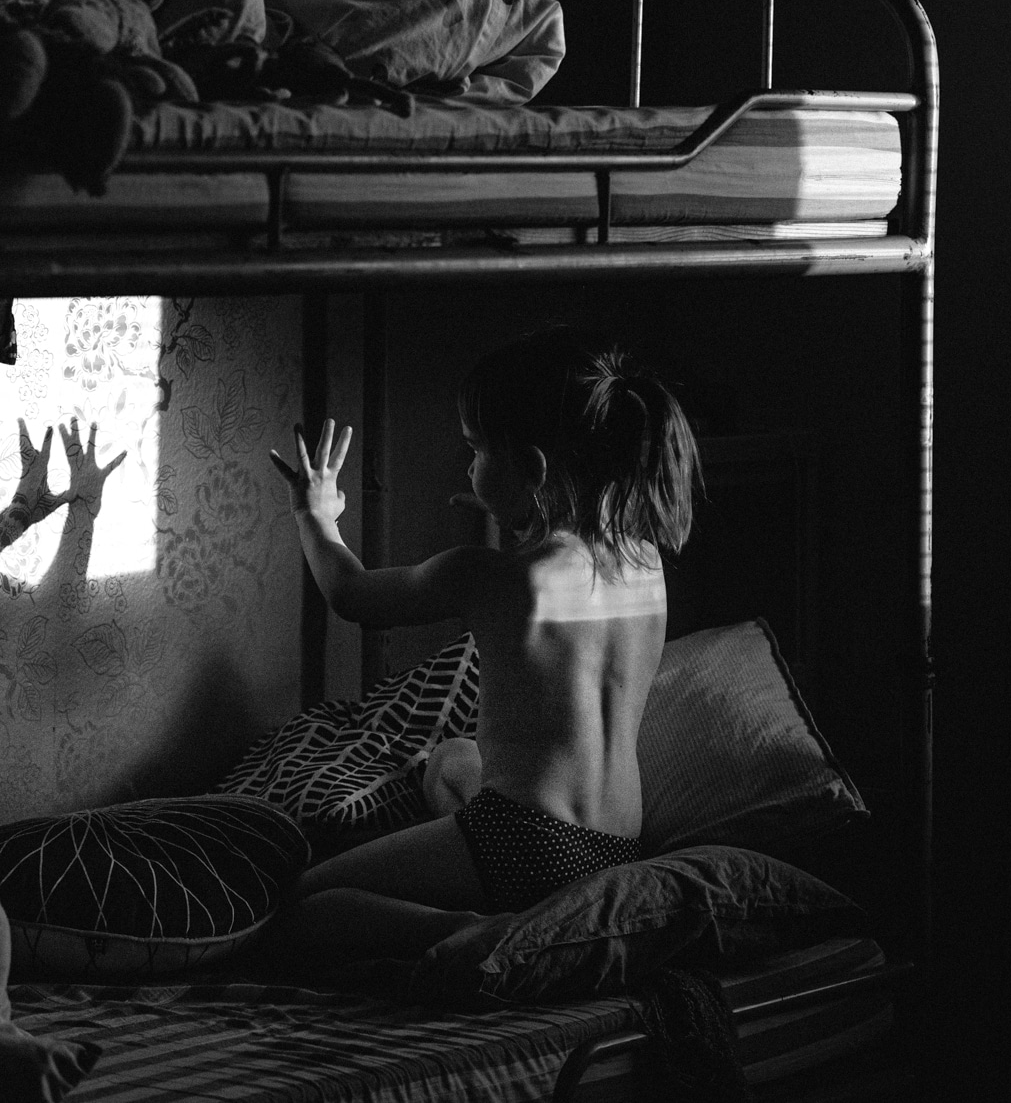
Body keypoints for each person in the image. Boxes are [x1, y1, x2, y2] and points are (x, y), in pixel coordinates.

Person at [259, 326, 700, 971]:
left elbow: (351, 595)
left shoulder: (488, 577)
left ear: (532, 469)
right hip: (615, 845)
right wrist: (516, 507)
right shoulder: (646, 561)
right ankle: (519, 904)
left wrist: (315, 514)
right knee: (450, 760)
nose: (468, 467)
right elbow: (562, 581)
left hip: (524, 841)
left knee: (303, 904)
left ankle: (477, 932)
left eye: (477, 450)